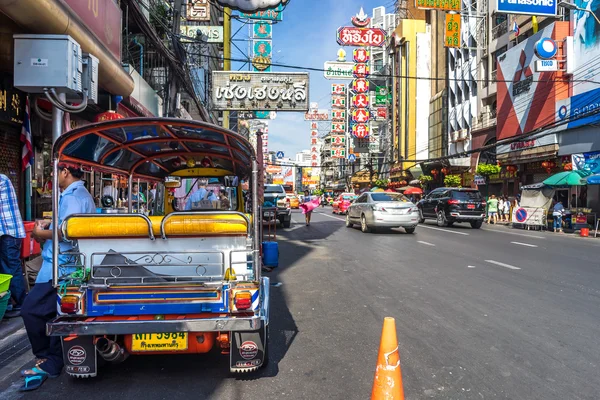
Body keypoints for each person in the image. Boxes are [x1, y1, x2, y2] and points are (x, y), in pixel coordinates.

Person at [20, 164, 95, 391]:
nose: (53, 176)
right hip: (64, 265)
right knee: (56, 313)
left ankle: (47, 358)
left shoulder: (73, 197)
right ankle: (54, 359)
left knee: (31, 310)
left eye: (55, 172)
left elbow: (67, 232)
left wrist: (39, 232)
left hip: (61, 267)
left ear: (65, 172)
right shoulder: (76, 194)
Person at [0, 174, 27, 319]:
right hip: (7, 233)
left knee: (10, 268)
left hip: (8, 233)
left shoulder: (1, 179)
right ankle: (9, 303)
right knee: (6, 268)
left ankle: (21, 303)